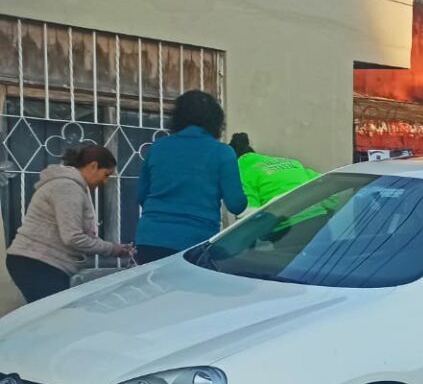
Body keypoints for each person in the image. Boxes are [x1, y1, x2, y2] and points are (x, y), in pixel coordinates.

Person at [6, 145, 135, 302]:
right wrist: (112, 249)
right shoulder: (67, 187)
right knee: (56, 318)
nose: (105, 181)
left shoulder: (70, 186)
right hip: (38, 262)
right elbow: (73, 238)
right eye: (106, 174)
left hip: (37, 262)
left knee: (51, 317)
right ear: (93, 166)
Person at [134, 90, 247, 263]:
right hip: (195, 242)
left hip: (150, 239)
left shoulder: (158, 147)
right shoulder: (222, 152)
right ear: (215, 120)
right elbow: (236, 204)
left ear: (178, 117)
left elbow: (141, 196)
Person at [229, 132, 321, 209]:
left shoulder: (242, 172)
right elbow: (326, 185)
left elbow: (249, 215)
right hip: (320, 221)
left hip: (288, 226)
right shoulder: (292, 162)